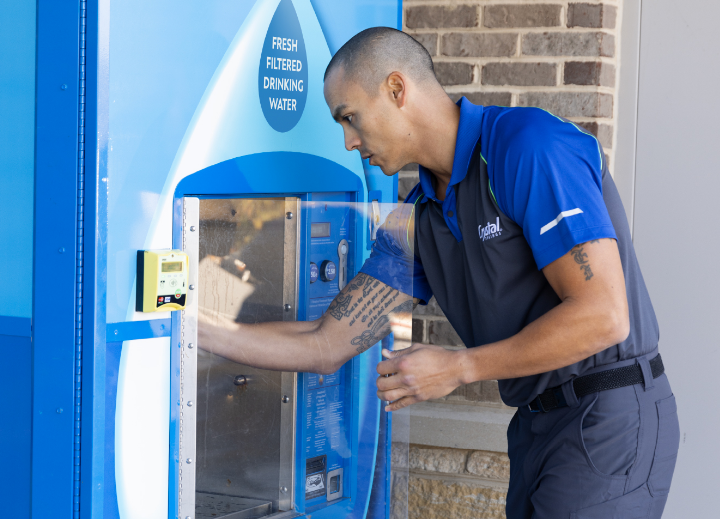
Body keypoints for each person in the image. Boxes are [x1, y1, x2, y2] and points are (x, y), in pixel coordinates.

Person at [200, 28, 679, 518]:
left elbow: (604, 316)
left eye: (350, 117)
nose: (349, 142)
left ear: (395, 89)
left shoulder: (527, 147)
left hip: (609, 415)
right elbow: (327, 344)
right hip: (538, 425)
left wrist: (458, 367)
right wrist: (198, 327)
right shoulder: (420, 216)